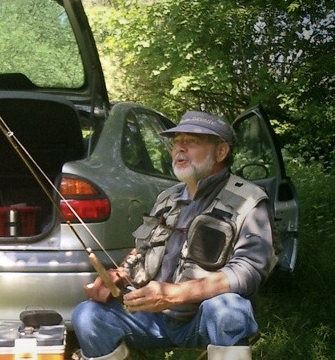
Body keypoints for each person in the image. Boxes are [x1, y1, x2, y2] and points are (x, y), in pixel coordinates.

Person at [71, 111, 277, 360]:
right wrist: (118, 276)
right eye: (176, 141)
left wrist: (174, 294)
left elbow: (249, 271)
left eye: (191, 142)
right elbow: (142, 250)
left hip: (202, 318)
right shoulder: (166, 198)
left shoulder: (250, 201)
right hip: (152, 317)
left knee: (229, 310)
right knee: (87, 316)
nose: (179, 149)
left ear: (221, 152)